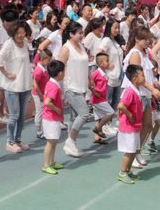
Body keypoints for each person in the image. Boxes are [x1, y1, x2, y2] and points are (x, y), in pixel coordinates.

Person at [122, 26, 160, 168]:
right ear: (138, 39)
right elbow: (137, 77)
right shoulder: (135, 54)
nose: (148, 42)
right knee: (136, 128)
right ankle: (131, 155)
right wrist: (153, 89)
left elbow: (148, 76)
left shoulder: (144, 53)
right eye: (145, 39)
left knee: (147, 125)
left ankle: (137, 151)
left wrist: (153, 88)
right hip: (136, 95)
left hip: (145, 94)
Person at [58, 21, 94, 157]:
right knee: (84, 113)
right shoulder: (66, 48)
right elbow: (59, 70)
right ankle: (70, 140)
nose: (81, 35)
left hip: (82, 86)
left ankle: (72, 145)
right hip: (71, 87)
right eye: (79, 33)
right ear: (71, 34)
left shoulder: (81, 46)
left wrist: (90, 78)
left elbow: (86, 64)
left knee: (73, 117)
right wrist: (64, 92)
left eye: (82, 33)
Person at [0, 20, 33, 153]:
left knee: (22, 116)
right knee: (14, 116)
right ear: (13, 33)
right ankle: (10, 141)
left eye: (23, 33)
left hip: (24, 84)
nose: (20, 35)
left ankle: (17, 139)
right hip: (12, 86)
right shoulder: (9, 44)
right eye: (18, 33)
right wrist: (7, 73)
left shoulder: (24, 43)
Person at [117, 64, 144, 184]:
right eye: (142, 75)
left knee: (134, 150)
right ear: (135, 79)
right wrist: (129, 115)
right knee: (129, 151)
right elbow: (121, 105)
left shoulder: (137, 90)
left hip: (135, 126)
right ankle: (122, 172)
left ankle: (127, 171)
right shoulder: (130, 91)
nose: (144, 77)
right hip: (128, 127)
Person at [96, 19, 124, 136]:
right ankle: (104, 125)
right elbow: (99, 53)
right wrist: (106, 64)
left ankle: (109, 122)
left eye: (118, 28)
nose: (117, 30)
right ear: (109, 28)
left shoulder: (116, 40)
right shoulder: (106, 40)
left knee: (115, 101)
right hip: (110, 76)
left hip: (118, 75)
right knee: (106, 102)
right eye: (115, 28)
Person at [41, 60, 66, 175]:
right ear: (60, 73)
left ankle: (51, 162)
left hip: (52, 118)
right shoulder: (54, 87)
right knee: (50, 142)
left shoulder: (51, 83)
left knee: (54, 141)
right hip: (50, 118)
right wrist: (57, 109)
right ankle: (46, 165)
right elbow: (47, 102)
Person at [90, 53, 115, 145]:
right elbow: (89, 81)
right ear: (100, 63)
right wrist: (94, 90)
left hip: (101, 98)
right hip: (98, 99)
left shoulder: (104, 72)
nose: (108, 63)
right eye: (107, 61)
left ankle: (97, 137)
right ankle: (98, 128)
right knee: (110, 112)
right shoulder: (97, 73)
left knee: (99, 118)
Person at [32, 49, 52, 140]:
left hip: (43, 93)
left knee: (44, 110)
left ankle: (44, 129)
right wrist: (40, 95)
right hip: (38, 94)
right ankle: (38, 131)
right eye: (48, 60)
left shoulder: (44, 68)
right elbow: (35, 84)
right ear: (42, 59)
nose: (49, 62)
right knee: (39, 111)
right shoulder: (39, 70)